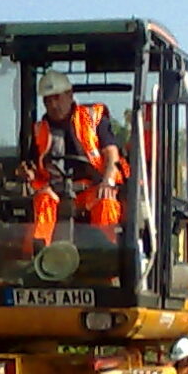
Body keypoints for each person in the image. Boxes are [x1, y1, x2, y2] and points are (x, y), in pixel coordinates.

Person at [26, 69, 123, 251]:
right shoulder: (39, 130)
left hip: (92, 188)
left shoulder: (92, 118)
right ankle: (41, 256)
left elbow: (111, 153)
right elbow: (34, 167)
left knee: (106, 203)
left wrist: (108, 182)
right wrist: (28, 174)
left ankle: (107, 258)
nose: (53, 104)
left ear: (70, 95)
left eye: (57, 97)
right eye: (48, 100)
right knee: (42, 199)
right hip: (56, 190)